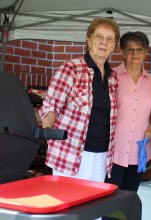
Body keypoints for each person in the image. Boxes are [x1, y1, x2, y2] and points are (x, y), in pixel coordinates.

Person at [39, 17, 119, 182]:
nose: (104, 42)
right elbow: (50, 106)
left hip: (101, 155)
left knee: (92, 205)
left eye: (109, 39)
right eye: (99, 37)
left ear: (114, 46)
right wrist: (48, 123)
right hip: (70, 153)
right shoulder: (71, 68)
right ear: (89, 40)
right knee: (67, 205)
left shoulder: (113, 77)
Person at [105, 31, 151, 191]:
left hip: (138, 151)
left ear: (146, 52)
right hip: (113, 150)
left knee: (128, 199)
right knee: (107, 201)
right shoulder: (111, 76)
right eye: (130, 49)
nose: (135, 54)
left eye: (140, 49)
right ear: (122, 52)